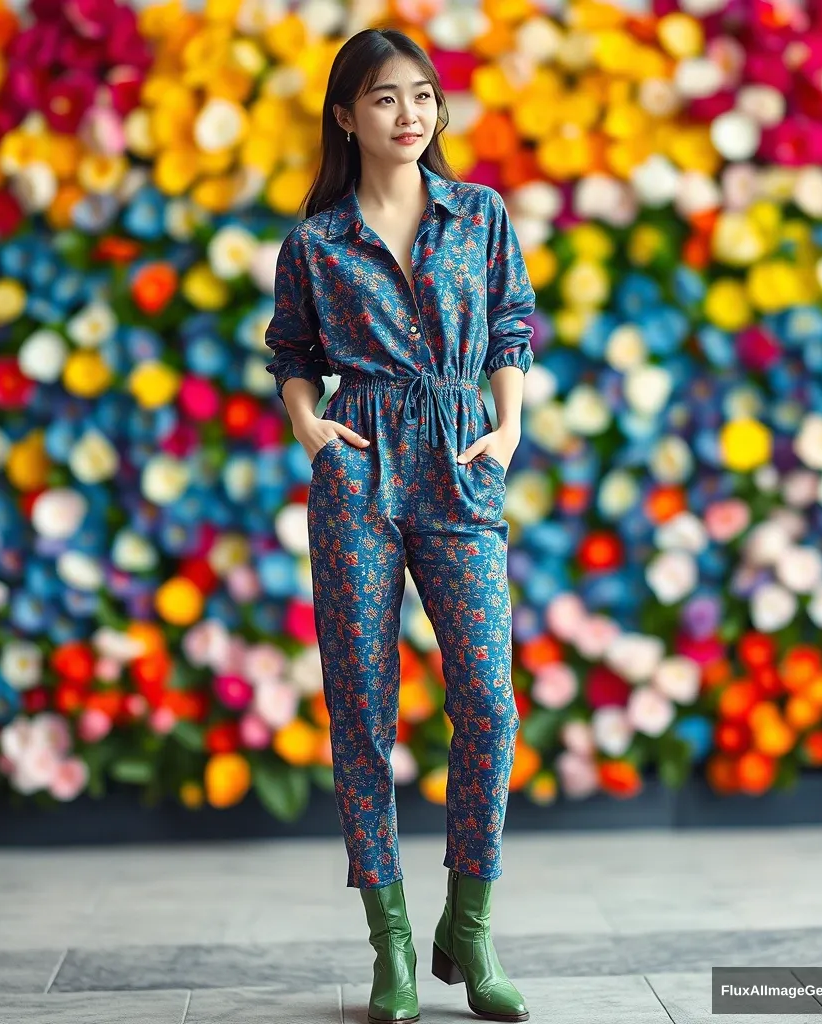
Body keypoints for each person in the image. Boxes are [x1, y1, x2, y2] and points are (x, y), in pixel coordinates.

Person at [264, 26, 534, 1024]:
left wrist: (506, 427)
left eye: (422, 94)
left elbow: (510, 321)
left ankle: (471, 925)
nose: (411, 113)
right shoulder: (316, 242)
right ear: (347, 115)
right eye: (385, 98)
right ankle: (391, 947)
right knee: (364, 714)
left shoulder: (481, 217)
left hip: (463, 460)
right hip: (358, 469)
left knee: (489, 703)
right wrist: (311, 429)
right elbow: (288, 347)